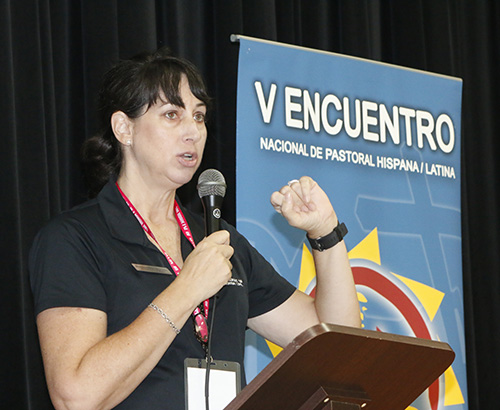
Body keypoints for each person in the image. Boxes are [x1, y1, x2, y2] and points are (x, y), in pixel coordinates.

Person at [29, 48, 361, 410]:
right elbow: (76, 396)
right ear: (124, 128)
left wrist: (325, 233)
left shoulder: (218, 239)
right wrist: (186, 289)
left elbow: (339, 349)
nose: (192, 132)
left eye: (199, 117)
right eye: (172, 114)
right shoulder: (75, 237)